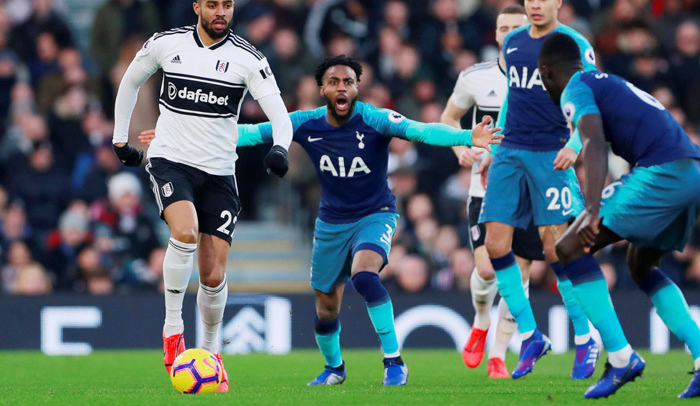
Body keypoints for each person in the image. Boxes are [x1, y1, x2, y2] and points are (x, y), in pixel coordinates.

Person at [142, 55, 501, 386]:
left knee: (364, 275)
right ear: (323, 89)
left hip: (375, 215)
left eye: (348, 81)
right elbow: (250, 134)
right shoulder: (305, 122)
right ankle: (334, 368)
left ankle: (394, 362)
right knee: (326, 305)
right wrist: (179, 138)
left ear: (357, 88)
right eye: (334, 81)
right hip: (331, 223)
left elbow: (422, 130)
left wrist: (468, 136)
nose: (341, 87)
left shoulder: (375, 119)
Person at [112, 0, 293, 393]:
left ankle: (210, 353)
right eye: (212, 5)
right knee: (186, 232)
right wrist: (120, 138)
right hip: (170, 160)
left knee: (212, 276)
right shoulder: (167, 44)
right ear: (197, 7)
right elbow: (129, 82)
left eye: (227, 5)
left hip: (219, 172)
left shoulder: (249, 58)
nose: (220, 12)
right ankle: (173, 328)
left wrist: (280, 148)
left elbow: (279, 115)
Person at [538, 32, 700, 399]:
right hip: (697, 172)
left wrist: (592, 209)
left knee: (569, 246)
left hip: (665, 172)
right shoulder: (606, 81)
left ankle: (622, 358)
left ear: (547, 72)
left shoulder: (574, 88)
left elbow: (591, 141)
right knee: (641, 265)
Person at [476, 0, 598, 380]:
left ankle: (585, 339)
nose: (534, 5)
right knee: (495, 245)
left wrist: (575, 145)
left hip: (550, 154)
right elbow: (513, 92)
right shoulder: (512, 43)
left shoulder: (575, 45)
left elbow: (589, 102)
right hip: (511, 150)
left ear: (559, 1)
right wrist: (495, 145)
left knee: (555, 250)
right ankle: (530, 336)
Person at [440, 4, 546, 378]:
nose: (510, 33)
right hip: (485, 188)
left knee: (519, 275)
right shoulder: (474, 77)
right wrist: (460, 147)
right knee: (486, 268)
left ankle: (498, 356)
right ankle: (481, 320)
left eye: (517, 27)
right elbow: (449, 119)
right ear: (497, 35)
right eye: (504, 28)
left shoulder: (545, 76)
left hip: (530, 190)